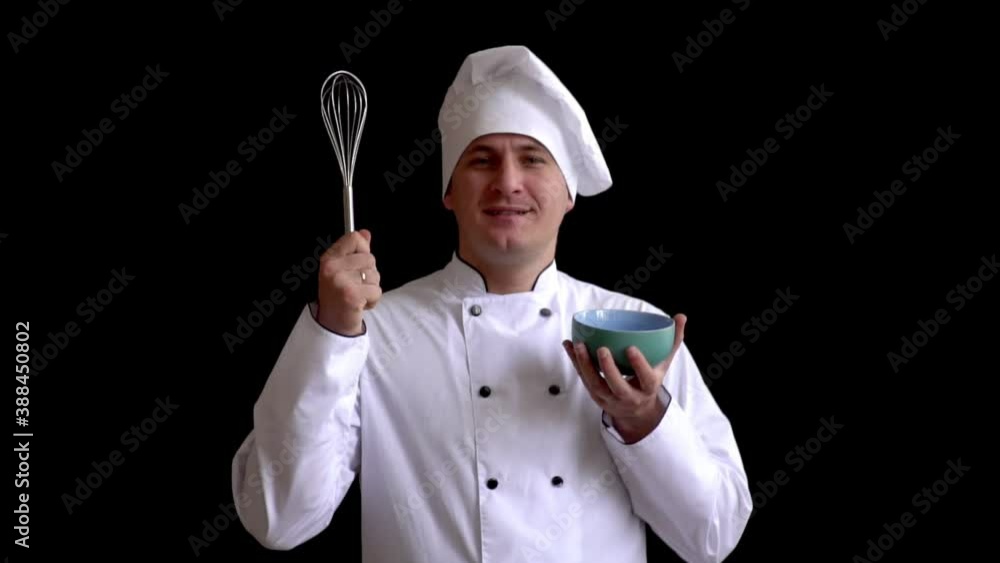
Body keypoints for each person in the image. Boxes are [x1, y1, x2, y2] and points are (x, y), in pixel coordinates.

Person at [231, 45, 752, 562]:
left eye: (532, 159)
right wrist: (332, 333)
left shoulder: (634, 332)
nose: (507, 182)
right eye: (482, 160)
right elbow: (279, 519)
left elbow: (714, 534)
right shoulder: (372, 330)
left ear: (569, 193)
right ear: (449, 191)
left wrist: (645, 421)